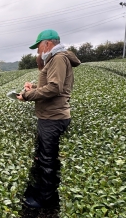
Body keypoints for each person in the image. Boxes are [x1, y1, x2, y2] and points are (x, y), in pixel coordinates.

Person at [17, 29, 81, 208]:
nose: (38, 51)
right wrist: (34, 87)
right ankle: (42, 191)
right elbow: (50, 85)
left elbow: (55, 88)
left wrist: (28, 96)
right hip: (50, 116)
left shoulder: (58, 58)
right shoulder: (55, 58)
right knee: (45, 157)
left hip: (53, 117)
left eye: (38, 47)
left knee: (47, 160)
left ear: (47, 44)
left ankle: (44, 199)